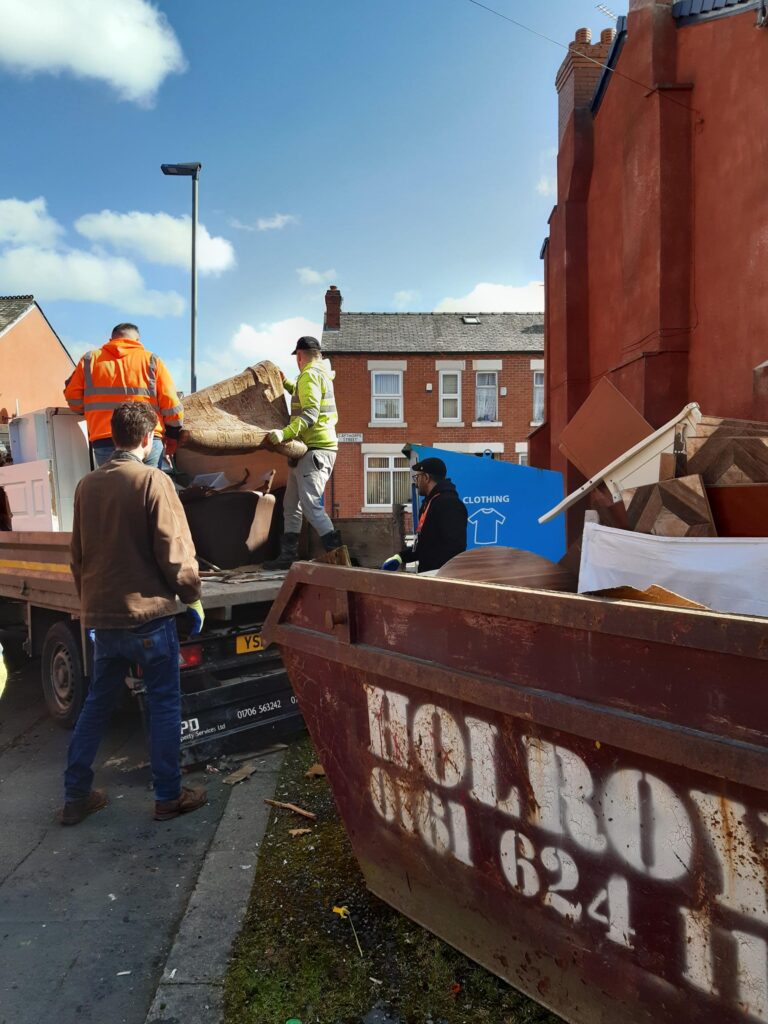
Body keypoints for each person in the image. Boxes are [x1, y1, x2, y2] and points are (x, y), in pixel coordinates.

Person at [60, 402, 207, 826]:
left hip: (104, 620)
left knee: (96, 705)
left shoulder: (87, 485)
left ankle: (76, 797)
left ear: (113, 437)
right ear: (148, 439)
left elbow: (78, 557)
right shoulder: (153, 480)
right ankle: (167, 797)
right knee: (163, 704)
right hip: (150, 618)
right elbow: (174, 551)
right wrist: (192, 595)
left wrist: (90, 609)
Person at [264, 336, 341, 569]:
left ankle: (338, 558)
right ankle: (288, 557)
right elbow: (302, 397)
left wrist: (284, 434)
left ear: (299, 356)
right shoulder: (317, 375)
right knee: (292, 505)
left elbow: (309, 414)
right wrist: (286, 383)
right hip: (310, 451)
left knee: (310, 506)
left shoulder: (309, 376)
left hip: (314, 450)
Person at [64, 323, 184, 468]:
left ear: (111, 339)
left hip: (105, 439)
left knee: (115, 488)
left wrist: (88, 411)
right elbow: (171, 404)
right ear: (138, 341)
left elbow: (73, 399)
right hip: (147, 438)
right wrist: (172, 434)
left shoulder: (90, 360)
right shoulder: (151, 360)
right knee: (149, 486)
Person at [381, 457, 468, 574]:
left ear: (426, 478)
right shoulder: (429, 503)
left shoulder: (449, 504)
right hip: (428, 575)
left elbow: (455, 547)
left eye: (418, 477)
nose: (416, 483)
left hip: (442, 577)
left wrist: (438, 574)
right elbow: (426, 545)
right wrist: (400, 557)